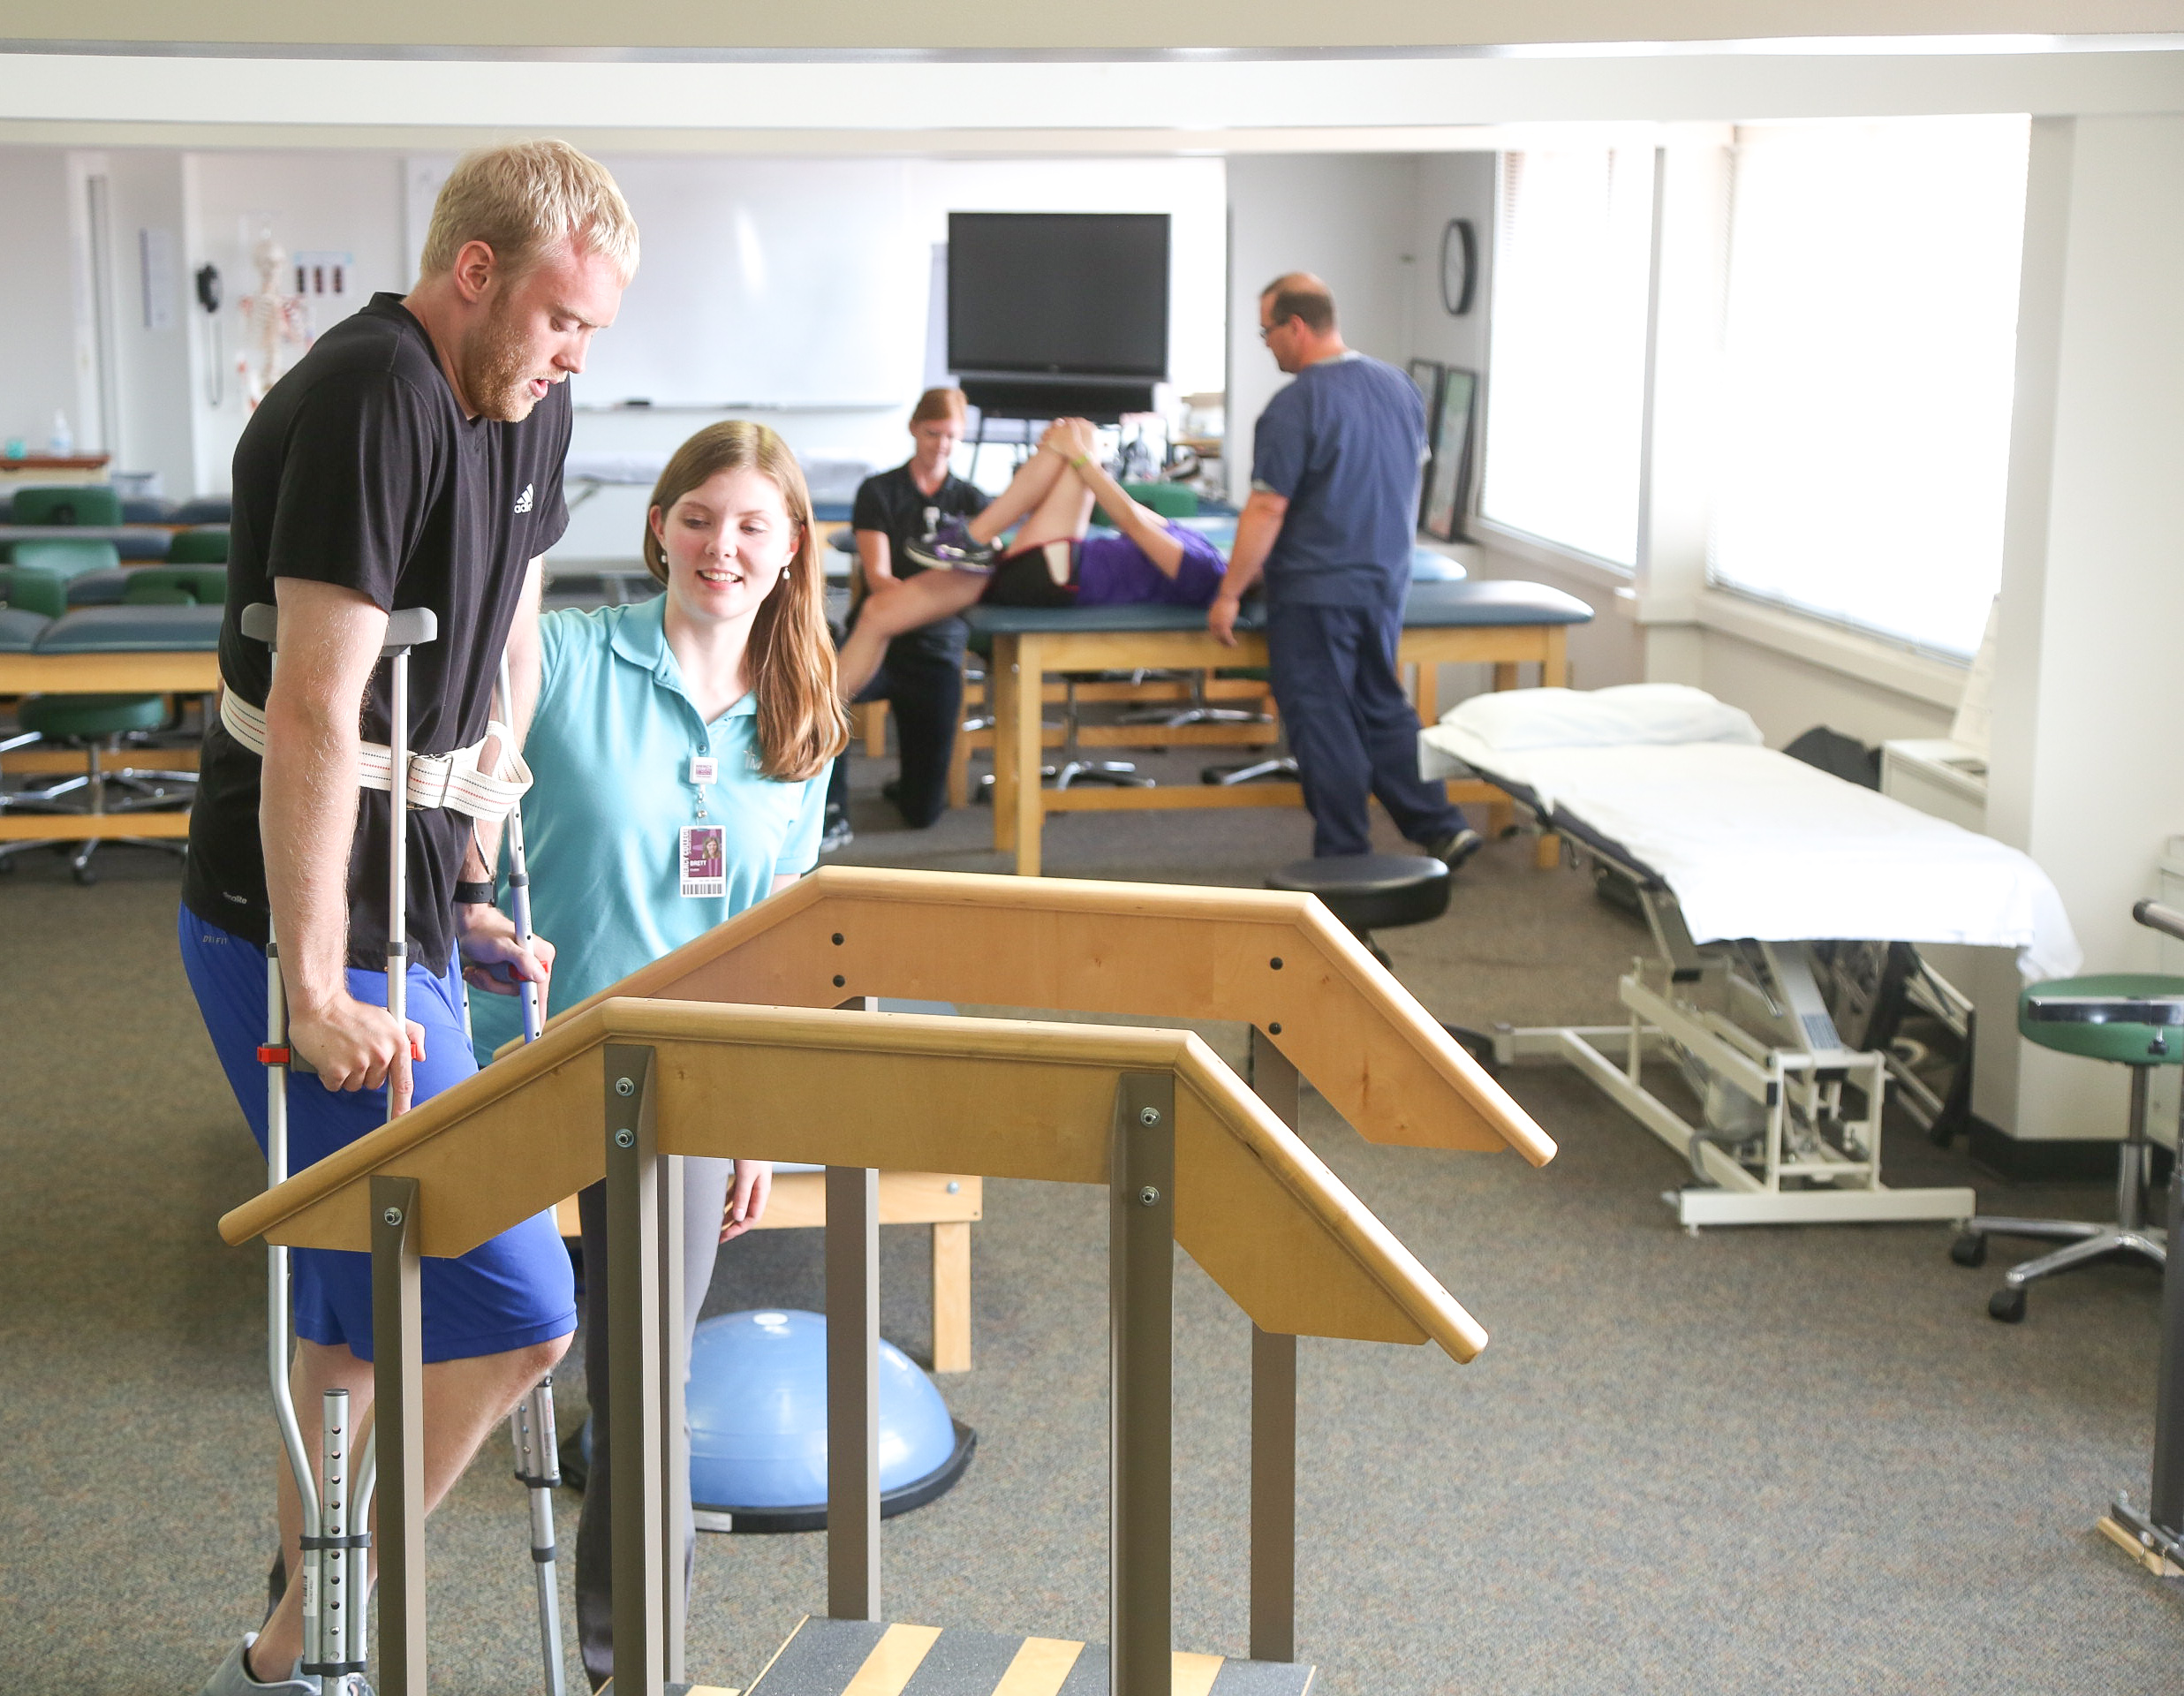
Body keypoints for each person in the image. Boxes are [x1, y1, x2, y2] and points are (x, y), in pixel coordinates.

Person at [178, 140, 638, 1696]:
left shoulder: (527, 400)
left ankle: (301, 1640)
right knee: (521, 1314)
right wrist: (311, 988)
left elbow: (499, 646)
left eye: (595, 334)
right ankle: (322, 1627)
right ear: (476, 273)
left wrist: (477, 886)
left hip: (407, 918)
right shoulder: (376, 391)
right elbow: (315, 710)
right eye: (563, 321)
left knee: (361, 1319)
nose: (578, 357)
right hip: (293, 929)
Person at [467, 420, 844, 1691]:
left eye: (750, 525)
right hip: (509, 1058)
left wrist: (755, 1118)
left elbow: (777, 948)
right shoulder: (567, 657)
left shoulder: (803, 721)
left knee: (641, 1396)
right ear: (657, 529)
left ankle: (636, 1673)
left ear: (792, 548)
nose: (719, 547)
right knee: (431, 1354)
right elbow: (492, 654)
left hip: (677, 1085)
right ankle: (317, 1626)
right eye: (697, 517)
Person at [1206, 273, 1481, 867]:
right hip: (1383, 582)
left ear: (1296, 327)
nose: (1266, 343)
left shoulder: (1294, 405)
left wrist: (1229, 591)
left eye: (1266, 331)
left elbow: (1266, 506)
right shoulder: (1400, 388)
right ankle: (1438, 826)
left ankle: (1343, 851)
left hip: (1313, 588)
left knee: (1322, 717)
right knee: (1380, 704)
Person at [836, 416, 1225, 700]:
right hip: (1043, 565)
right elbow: (1139, 516)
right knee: (878, 614)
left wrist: (1079, 457)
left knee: (1082, 439)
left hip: (1056, 574)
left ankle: (972, 537)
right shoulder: (1207, 550)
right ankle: (812, 730)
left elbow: (1127, 521)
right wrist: (1068, 451)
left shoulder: (1204, 574)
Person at [824, 387, 991, 835]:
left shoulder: (973, 501)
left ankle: (907, 788)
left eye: (952, 436)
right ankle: (829, 809)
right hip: (874, 639)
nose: (941, 445)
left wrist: (922, 605)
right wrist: (932, 597)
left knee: (922, 816)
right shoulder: (879, 491)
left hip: (935, 649)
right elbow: (879, 578)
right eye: (933, 433)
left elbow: (978, 583)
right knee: (825, 698)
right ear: (914, 429)